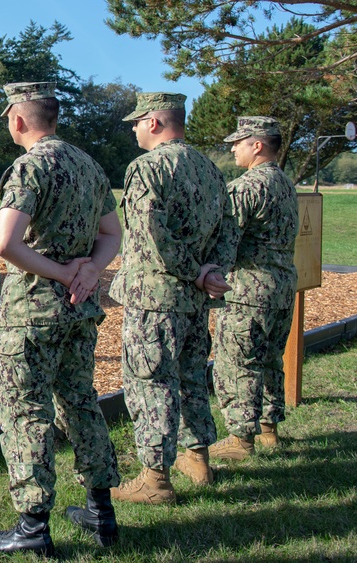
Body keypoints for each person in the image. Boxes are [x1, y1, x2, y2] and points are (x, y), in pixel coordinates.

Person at [0, 82, 122, 557]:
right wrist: (90, 270)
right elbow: (112, 233)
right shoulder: (88, 165)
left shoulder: (28, 167)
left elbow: (6, 243)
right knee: (80, 402)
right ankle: (101, 511)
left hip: (33, 312)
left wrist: (60, 273)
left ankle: (33, 523)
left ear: (19, 119)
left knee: (26, 412)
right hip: (79, 310)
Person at [109, 92, 235, 503]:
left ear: (157, 122)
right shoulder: (210, 170)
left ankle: (155, 479)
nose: (134, 128)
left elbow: (150, 235)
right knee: (191, 378)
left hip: (156, 297)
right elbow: (229, 231)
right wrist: (211, 271)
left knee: (151, 384)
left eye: (138, 121)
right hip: (195, 300)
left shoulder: (147, 168)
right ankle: (197, 457)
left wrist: (194, 272)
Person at [210, 117, 298, 459]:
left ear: (257, 145)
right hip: (281, 287)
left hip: (249, 290)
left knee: (238, 361)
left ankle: (240, 438)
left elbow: (225, 244)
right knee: (270, 359)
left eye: (239, 142)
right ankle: (268, 429)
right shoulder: (286, 183)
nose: (233, 148)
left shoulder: (246, 187)